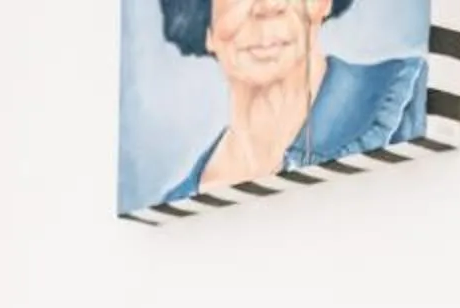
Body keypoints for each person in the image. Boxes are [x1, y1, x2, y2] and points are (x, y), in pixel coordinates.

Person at [155, 0, 427, 205]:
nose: (267, 6)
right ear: (204, 22)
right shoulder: (179, 205)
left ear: (323, 4)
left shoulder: (412, 101)